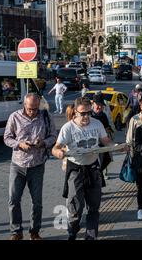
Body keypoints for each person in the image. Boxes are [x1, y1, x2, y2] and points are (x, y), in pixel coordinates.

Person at [52, 97, 121, 240]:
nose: (86, 116)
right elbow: (56, 147)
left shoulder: (97, 124)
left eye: (89, 113)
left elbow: (106, 141)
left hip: (93, 168)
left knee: (94, 206)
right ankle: (73, 230)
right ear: (75, 112)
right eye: (83, 113)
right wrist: (58, 152)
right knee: (76, 206)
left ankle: (91, 236)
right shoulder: (68, 128)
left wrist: (117, 147)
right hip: (76, 169)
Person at [4, 94, 57, 240]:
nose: (32, 112)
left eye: (35, 109)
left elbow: (53, 136)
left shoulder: (45, 116)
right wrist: (19, 144)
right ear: (24, 106)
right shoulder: (14, 117)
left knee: (37, 202)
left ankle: (34, 232)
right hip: (18, 165)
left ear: (38, 105)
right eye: (29, 109)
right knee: (13, 200)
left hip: (37, 165)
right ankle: (16, 231)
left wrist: (44, 143)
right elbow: (7, 138)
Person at [91, 94, 114, 181]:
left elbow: (107, 127)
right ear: (93, 103)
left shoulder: (103, 115)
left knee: (106, 159)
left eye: (101, 105)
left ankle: (100, 174)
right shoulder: (88, 115)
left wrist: (107, 130)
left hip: (102, 143)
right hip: (91, 145)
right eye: (98, 105)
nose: (100, 107)